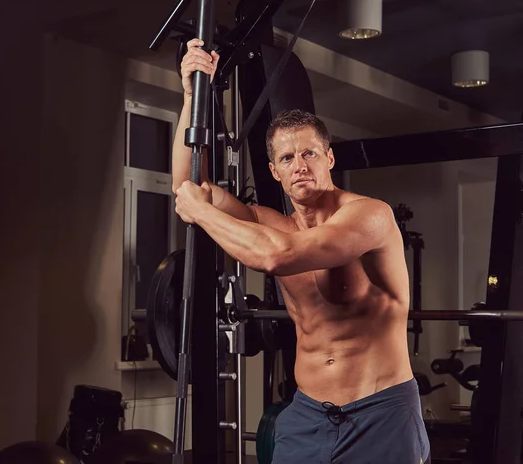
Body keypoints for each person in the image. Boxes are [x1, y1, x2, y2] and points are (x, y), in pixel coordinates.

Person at [173, 38, 431, 464]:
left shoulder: (369, 217)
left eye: (310, 153)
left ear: (329, 157)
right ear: (274, 171)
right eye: (288, 158)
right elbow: (188, 187)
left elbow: (278, 256)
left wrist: (201, 214)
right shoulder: (272, 223)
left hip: (381, 414)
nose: (301, 166)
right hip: (308, 415)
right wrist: (192, 97)